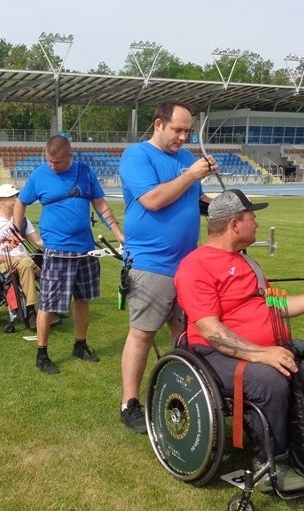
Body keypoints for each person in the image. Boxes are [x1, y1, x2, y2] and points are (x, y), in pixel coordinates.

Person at [175, 189, 304, 493]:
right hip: (212, 355)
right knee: (268, 379)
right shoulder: (195, 266)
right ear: (234, 225)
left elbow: (276, 306)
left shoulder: (248, 264)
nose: (257, 223)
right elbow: (210, 330)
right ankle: (271, 462)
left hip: (263, 352)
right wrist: (261, 354)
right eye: (252, 217)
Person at [117, 101, 218, 433]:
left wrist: (223, 203)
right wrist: (191, 175)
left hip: (188, 265)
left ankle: (180, 391)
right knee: (143, 334)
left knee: (185, 332)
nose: (183, 137)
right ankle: (130, 403)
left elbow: (194, 200)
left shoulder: (186, 159)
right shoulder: (137, 156)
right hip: (151, 263)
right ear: (158, 124)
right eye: (178, 130)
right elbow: (154, 200)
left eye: (188, 131)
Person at [13, 135, 124, 375]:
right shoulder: (40, 175)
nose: (53, 166)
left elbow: (101, 205)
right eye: (49, 161)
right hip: (56, 249)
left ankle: (80, 345)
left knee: (83, 299)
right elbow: (21, 202)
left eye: (58, 162)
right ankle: (42, 354)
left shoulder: (85, 172)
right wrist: (16, 225)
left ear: (70, 156)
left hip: (85, 249)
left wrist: (117, 231)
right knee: (49, 303)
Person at [0, 183, 43, 333]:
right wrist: (15, 259)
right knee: (26, 263)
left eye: (17, 196)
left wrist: (55, 247)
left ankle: (50, 307)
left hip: (24, 260)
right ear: (1, 201)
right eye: (12, 197)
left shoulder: (22, 220)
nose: (17, 199)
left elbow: (38, 241)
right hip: (2, 263)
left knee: (48, 264)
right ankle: (31, 311)